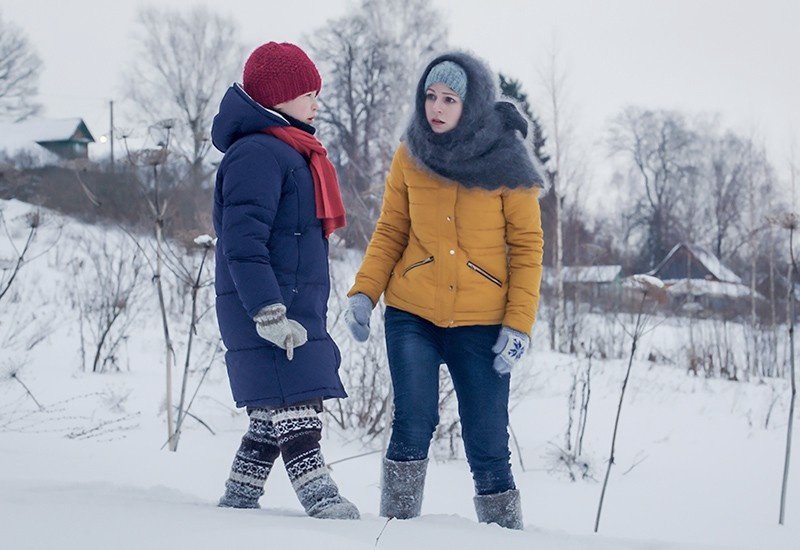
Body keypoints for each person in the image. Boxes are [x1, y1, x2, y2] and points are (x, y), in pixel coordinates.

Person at [345, 52, 545, 530]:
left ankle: (505, 535)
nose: (436, 107)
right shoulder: (410, 152)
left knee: (488, 442)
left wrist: (519, 324)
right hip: (412, 312)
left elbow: (527, 246)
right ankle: (392, 528)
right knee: (412, 422)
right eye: (430, 96)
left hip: (482, 321)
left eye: (450, 99)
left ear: (470, 103)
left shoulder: (506, 160)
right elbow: (391, 228)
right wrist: (364, 292)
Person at [211, 41, 358, 520]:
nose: (317, 101)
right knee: (296, 405)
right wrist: (267, 310)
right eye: (308, 92)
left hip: (292, 304)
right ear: (278, 96)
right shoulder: (257, 153)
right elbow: (242, 241)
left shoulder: (291, 151)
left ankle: (238, 497)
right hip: (267, 307)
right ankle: (320, 497)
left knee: (271, 410)